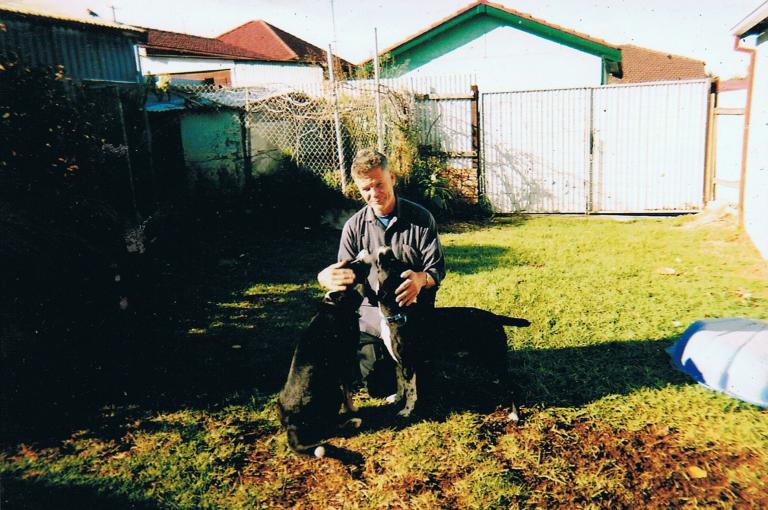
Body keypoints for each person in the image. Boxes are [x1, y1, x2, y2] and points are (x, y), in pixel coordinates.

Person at [317, 148, 446, 396]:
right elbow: (344, 278)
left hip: (413, 312)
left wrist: (421, 280)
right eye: (366, 188)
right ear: (358, 189)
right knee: (380, 387)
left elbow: (436, 268)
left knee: (424, 381)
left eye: (379, 184)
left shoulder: (421, 218)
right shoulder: (353, 227)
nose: (374, 193)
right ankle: (377, 353)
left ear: (392, 179)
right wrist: (324, 278)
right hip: (373, 314)